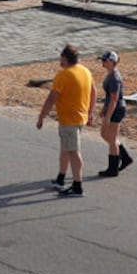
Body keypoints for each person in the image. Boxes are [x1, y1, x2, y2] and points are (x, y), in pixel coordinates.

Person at [36, 44, 95, 196]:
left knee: (73, 151)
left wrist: (42, 116)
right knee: (65, 149)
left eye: (61, 58)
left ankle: (77, 185)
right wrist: (90, 112)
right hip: (80, 117)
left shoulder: (63, 75)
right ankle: (61, 178)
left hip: (70, 120)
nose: (59, 61)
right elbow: (93, 91)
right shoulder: (85, 71)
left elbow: (51, 99)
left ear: (65, 58)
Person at [97, 51, 133, 177]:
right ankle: (125, 157)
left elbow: (114, 99)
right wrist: (104, 109)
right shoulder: (110, 75)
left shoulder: (114, 78)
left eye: (105, 60)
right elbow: (108, 97)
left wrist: (108, 116)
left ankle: (113, 169)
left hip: (116, 110)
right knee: (105, 135)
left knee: (111, 139)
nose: (103, 62)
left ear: (112, 62)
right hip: (112, 108)